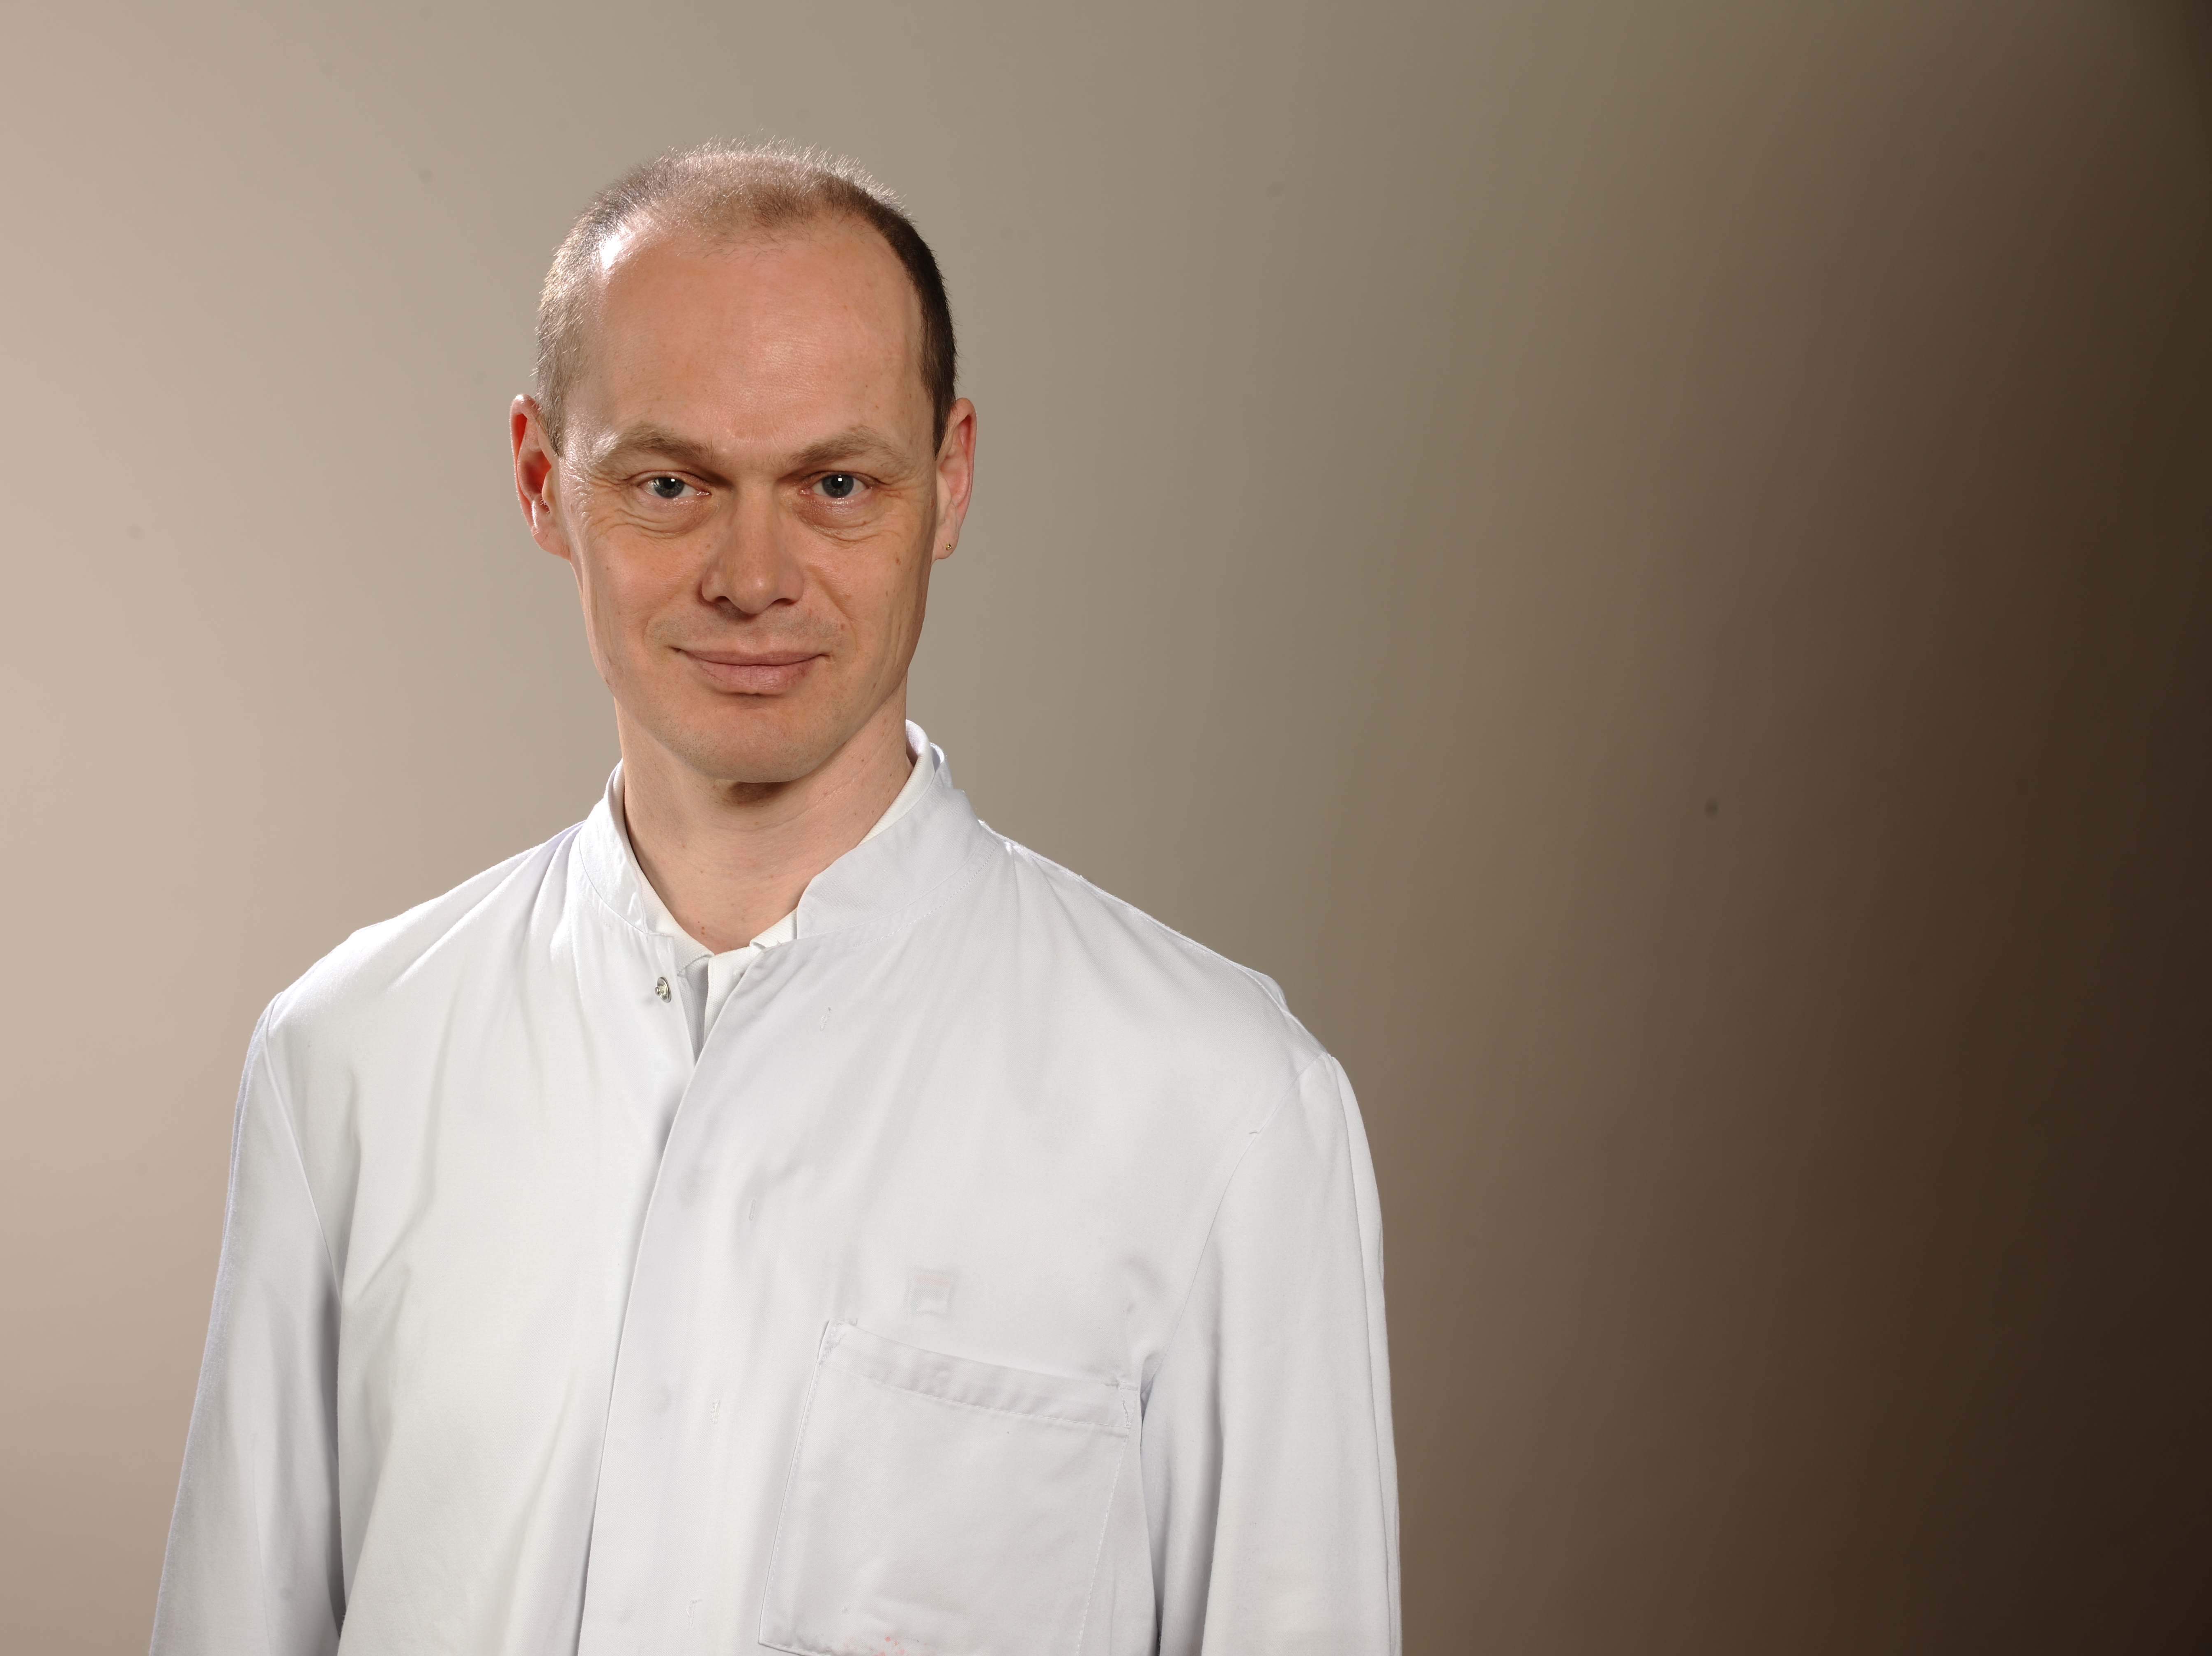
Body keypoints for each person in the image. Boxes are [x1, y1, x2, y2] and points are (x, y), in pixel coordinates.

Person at [151, 143, 1400, 1656]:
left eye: (836, 484)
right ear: (545, 484)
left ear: (949, 481)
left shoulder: (1223, 1108)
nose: (755, 576)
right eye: (670, 484)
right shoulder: (348, 1057)